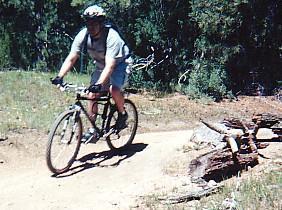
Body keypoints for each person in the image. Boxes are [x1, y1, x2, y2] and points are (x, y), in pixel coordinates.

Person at [51, 5, 131, 143]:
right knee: (91, 94)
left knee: (114, 89)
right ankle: (93, 130)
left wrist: (99, 84)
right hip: (101, 66)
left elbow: (111, 65)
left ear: (101, 23)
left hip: (120, 65)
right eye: (88, 22)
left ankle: (122, 114)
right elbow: (72, 57)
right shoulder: (83, 35)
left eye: (94, 22)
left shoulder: (112, 37)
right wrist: (60, 76)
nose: (91, 26)